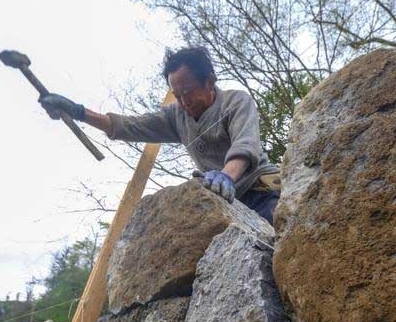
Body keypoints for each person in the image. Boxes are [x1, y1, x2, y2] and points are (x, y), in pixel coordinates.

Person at [39, 47, 281, 224]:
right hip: (228, 204)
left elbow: (245, 145)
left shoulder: (236, 102)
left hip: (262, 192)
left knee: (276, 235)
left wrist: (226, 177)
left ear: (209, 81)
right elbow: (129, 126)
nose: (184, 102)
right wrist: (78, 112)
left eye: (188, 92)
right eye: (178, 96)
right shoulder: (176, 116)